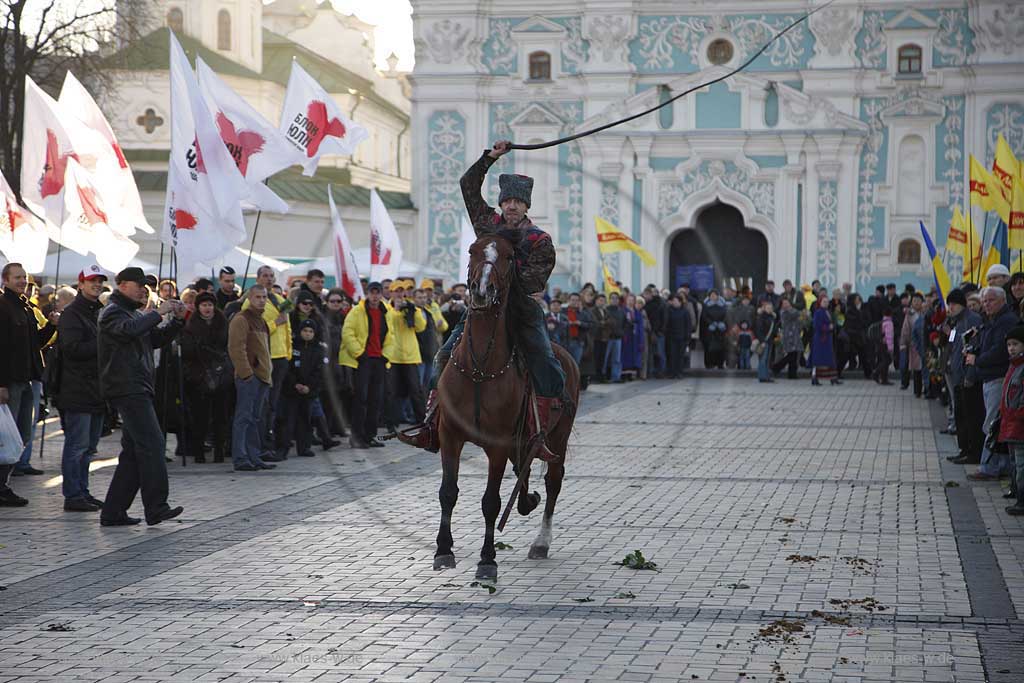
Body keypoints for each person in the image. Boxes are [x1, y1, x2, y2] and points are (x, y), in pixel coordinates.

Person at [400, 140, 567, 461]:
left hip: (521, 310)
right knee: (443, 356)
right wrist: (490, 157)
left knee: (547, 365)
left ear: (526, 205)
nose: (512, 206)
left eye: (518, 201)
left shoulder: (540, 240)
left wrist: (502, 273)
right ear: (501, 203)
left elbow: (535, 280)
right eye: (508, 201)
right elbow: (468, 185)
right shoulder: (487, 223)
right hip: (480, 308)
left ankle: (538, 432)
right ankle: (431, 424)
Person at [98, 267, 187, 526]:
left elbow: (154, 339)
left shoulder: (133, 312)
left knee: (134, 452)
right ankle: (156, 506)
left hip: (138, 386)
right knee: (152, 444)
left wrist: (177, 321)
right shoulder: (112, 311)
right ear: (122, 284)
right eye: (138, 284)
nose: (142, 289)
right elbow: (127, 331)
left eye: (146, 285)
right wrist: (157, 313)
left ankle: (113, 511)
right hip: (127, 387)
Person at [0, 263, 57, 506]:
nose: (22, 281)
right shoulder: (2, 306)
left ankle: (5, 483)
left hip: (27, 379)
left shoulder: (26, 307)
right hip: (9, 381)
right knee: (5, 436)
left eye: (24, 277)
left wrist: (53, 325)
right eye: (17, 277)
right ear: (5, 279)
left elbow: (36, 344)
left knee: (21, 435)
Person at [56, 265, 108, 511]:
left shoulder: (98, 311)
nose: (96, 284)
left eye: (99, 281)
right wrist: (103, 343)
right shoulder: (72, 314)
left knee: (88, 448)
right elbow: (72, 349)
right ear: (81, 284)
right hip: (77, 389)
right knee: (76, 446)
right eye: (91, 281)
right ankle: (73, 495)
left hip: (96, 389)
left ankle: (83, 490)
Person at [966, 286, 1019, 481]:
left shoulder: (1006, 321)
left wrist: (977, 360)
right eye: (985, 301)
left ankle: (989, 466)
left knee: (992, 424)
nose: (986, 304)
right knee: (995, 423)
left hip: (998, 376)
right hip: (989, 377)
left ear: (1002, 300)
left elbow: (999, 351)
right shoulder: (992, 321)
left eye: (991, 300)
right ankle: (1001, 465)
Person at [180, 292, 232, 464]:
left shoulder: (222, 322)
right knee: (200, 417)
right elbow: (187, 352)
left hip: (221, 375)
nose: (207, 308)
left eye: (210, 305)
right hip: (199, 377)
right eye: (204, 305)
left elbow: (227, 346)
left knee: (221, 416)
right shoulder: (191, 325)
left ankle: (219, 450)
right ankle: (198, 451)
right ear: (198, 307)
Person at [228, 285, 276, 472]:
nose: (262, 300)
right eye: (257, 297)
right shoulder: (241, 319)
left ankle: (254, 456)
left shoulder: (261, 321)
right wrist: (246, 373)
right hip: (250, 377)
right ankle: (241, 458)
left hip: (262, 376)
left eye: (264, 297)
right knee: (244, 418)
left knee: (255, 419)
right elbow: (236, 348)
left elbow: (265, 350)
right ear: (249, 298)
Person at [245, 266, 292, 454]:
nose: (269, 279)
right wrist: (275, 323)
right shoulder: (250, 303)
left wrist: (288, 353)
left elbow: (288, 328)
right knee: (263, 404)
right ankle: (261, 445)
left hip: (280, 356)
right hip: (264, 356)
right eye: (265, 276)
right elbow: (253, 328)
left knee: (274, 404)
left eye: (272, 276)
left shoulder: (281, 300)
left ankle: (270, 442)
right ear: (257, 279)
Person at [341, 282, 393, 448]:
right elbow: (347, 333)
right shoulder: (357, 311)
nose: (375, 296)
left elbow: (391, 335)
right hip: (362, 361)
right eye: (372, 292)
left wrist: (386, 355)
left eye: (377, 293)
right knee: (360, 399)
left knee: (375, 400)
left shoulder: (386, 311)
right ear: (367, 293)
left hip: (379, 360)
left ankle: (369, 435)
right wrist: (360, 354)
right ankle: (357, 437)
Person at [277, 319, 327, 458]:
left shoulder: (318, 349)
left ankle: (304, 447)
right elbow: (288, 368)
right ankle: (283, 448)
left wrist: (309, 387)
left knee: (305, 420)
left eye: (311, 331)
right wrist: (295, 384)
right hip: (292, 391)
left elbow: (319, 372)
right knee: (288, 420)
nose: (308, 334)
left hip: (308, 392)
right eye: (305, 331)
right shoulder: (292, 347)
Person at [384, 283, 427, 435]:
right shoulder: (387, 308)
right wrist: (396, 310)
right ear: (391, 293)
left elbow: (421, 327)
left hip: (410, 356)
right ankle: (390, 422)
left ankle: (422, 421)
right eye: (396, 292)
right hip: (393, 356)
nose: (399, 295)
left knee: (416, 391)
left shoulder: (410, 307)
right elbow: (388, 323)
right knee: (391, 391)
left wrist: (413, 310)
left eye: (401, 292)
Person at [999, 326, 1024, 515]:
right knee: (1015, 463)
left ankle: (1021, 500)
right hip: (1010, 423)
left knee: (1021, 464)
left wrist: (1017, 415)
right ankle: (1016, 491)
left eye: (1015, 344)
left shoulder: (1021, 368)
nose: (1011, 348)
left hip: (1019, 424)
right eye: (1009, 345)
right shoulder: (1013, 365)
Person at [809, 292, 840, 385]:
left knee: (829, 358)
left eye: (827, 301)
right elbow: (816, 325)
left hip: (827, 339)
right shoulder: (818, 312)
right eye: (824, 302)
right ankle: (814, 378)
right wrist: (827, 328)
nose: (826, 303)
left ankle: (833, 377)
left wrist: (833, 327)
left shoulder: (828, 311)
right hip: (820, 339)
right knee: (818, 359)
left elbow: (832, 322)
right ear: (820, 302)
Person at [899, 293, 926, 396]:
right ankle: (917, 390)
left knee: (924, 367)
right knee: (916, 368)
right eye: (914, 301)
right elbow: (905, 330)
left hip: (925, 344)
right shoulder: (909, 315)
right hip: (914, 345)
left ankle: (926, 388)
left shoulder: (924, 313)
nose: (917, 303)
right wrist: (903, 343)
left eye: (919, 301)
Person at [771, 297, 802, 379]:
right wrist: (793, 309)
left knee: (794, 354)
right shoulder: (783, 312)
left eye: (787, 303)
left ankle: (792, 374)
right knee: (791, 354)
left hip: (795, 334)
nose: (786, 305)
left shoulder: (792, 310)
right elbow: (795, 314)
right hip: (787, 335)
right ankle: (777, 367)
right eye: (784, 303)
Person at [604, 292, 626, 382]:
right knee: (605, 359)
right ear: (609, 300)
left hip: (618, 338)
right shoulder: (606, 310)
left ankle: (616, 377)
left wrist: (622, 332)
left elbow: (625, 323)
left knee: (616, 359)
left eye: (616, 298)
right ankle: (603, 376)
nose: (614, 300)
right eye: (612, 298)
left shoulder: (621, 311)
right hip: (608, 338)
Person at [753, 300, 776, 382]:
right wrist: (762, 341)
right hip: (764, 341)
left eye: (771, 308)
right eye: (768, 308)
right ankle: (762, 377)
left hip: (769, 341)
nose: (769, 309)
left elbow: (774, 330)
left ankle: (766, 376)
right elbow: (759, 330)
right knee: (763, 359)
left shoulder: (772, 317)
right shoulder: (761, 317)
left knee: (767, 360)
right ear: (764, 308)